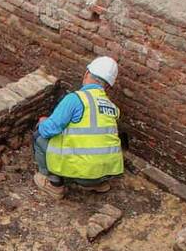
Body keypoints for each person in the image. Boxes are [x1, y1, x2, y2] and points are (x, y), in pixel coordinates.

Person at [32, 56, 124, 199]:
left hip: (82, 173)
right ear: (108, 86)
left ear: (87, 73)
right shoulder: (113, 108)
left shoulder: (76, 99)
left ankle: (54, 185)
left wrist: (44, 121)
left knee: (39, 135)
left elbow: (49, 130)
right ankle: (98, 184)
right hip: (107, 172)